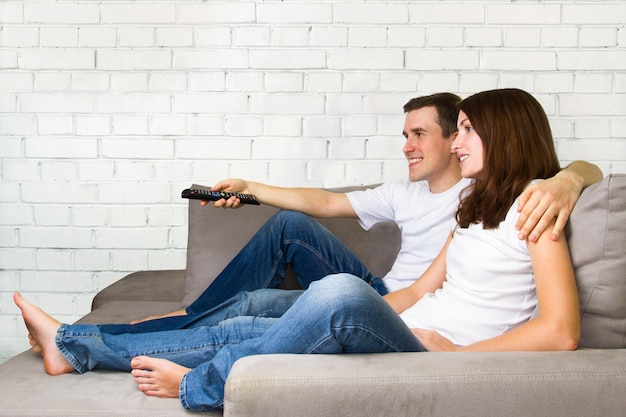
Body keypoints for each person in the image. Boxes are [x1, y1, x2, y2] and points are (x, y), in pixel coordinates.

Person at [16, 88, 581, 412]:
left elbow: (560, 331)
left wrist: (452, 357)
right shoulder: (472, 209)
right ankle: (73, 346)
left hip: (440, 349)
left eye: (464, 131)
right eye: (453, 130)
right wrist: (379, 312)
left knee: (335, 292)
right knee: (243, 327)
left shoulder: (538, 210)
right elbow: (412, 289)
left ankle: (200, 389)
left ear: (506, 134)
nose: (456, 143)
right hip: (405, 327)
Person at [135, 93, 601, 324]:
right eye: (404, 135)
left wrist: (569, 178)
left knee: (255, 308)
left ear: (452, 138)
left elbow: (585, 168)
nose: (407, 146)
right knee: (291, 224)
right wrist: (249, 186)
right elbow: (323, 202)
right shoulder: (404, 192)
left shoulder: (486, 192)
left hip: (399, 306)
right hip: (383, 291)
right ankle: (196, 317)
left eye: (420, 134)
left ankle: (194, 322)